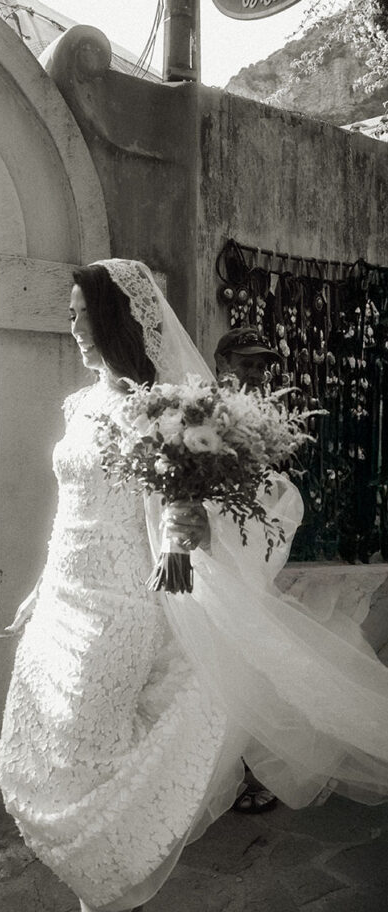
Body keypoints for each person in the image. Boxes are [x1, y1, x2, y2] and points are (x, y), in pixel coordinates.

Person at [0, 259, 388, 912]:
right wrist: (38, 587)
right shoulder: (81, 405)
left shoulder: (179, 407)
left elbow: (253, 498)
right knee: (59, 756)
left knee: (88, 772)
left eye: (82, 313)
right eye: (70, 312)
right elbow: (67, 509)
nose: (71, 325)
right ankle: (120, 898)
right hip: (63, 607)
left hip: (124, 616)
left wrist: (186, 526)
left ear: (117, 320)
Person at [215, 325, 285, 814]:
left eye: (261, 365)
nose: (256, 373)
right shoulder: (202, 413)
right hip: (211, 553)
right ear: (223, 363)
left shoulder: (261, 417)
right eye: (246, 363)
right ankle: (225, 774)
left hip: (246, 553)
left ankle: (246, 769)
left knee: (249, 661)